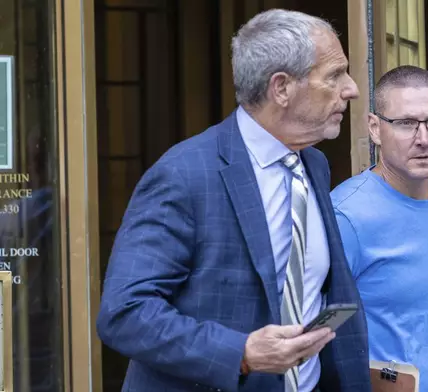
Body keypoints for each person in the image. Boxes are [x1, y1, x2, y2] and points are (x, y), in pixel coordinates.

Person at [96, 9, 372, 392]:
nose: (352, 89)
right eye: (334, 75)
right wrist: (239, 352)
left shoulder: (314, 163)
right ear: (282, 88)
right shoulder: (184, 174)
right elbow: (124, 313)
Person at [330, 65, 428, 392]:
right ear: (374, 128)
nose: (423, 138)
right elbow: (309, 334)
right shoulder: (346, 216)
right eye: (405, 124)